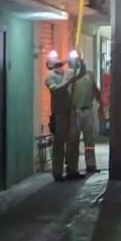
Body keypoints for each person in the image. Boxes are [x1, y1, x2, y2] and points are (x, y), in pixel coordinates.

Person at [44, 51, 82, 182]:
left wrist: (79, 61)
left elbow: (80, 73)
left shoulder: (67, 72)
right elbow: (55, 90)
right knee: (59, 143)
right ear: (50, 64)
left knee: (74, 142)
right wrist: (67, 82)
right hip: (59, 113)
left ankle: (72, 170)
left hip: (71, 111)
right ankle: (58, 173)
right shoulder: (49, 77)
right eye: (54, 58)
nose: (57, 58)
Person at [69, 52, 106, 174]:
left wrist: (101, 107)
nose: (79, 62)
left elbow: (95, 90)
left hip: (88, 110)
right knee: (74, 141)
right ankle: (72, 168)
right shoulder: (70, 76)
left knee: (89, 140)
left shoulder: (90, 75)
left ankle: (90, 164)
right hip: (75, 111)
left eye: (80, 60)